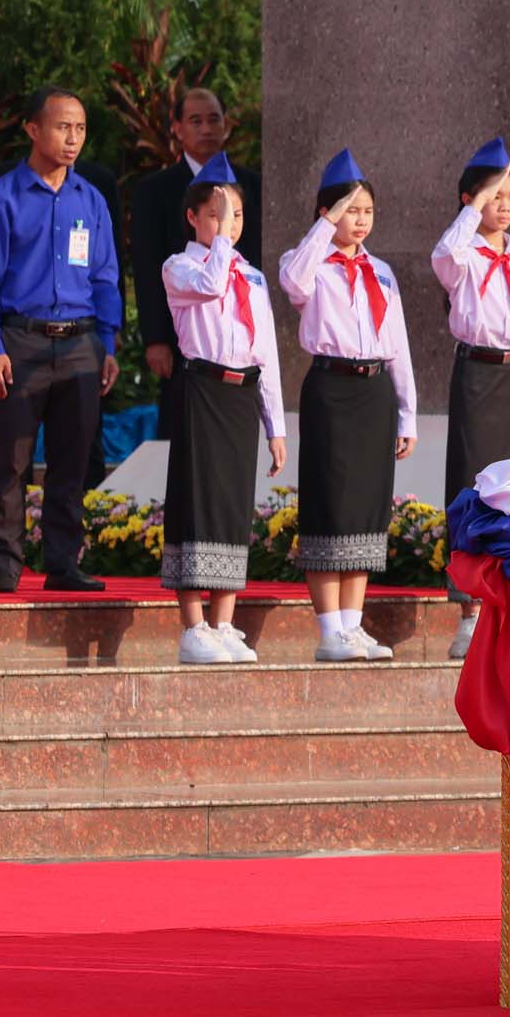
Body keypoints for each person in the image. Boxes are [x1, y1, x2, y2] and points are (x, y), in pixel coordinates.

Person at [0, 86, 123, 594]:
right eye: (62, 127)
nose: (72, 138)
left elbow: (105, 276)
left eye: (79, 128)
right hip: (20, 340)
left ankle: (63, 562)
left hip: (80, 344)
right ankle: (5, 563)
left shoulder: (90, 199)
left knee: (72, 459)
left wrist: (109, 343)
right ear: (33, 130)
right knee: (9, 457)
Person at [278, 150, 415, 663]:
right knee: (329, 503)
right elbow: (292, 282)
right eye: (349, 211)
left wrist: (407, 412)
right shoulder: (308, 263)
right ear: (327, 213)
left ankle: (353, 626)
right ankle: (328, 629)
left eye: (366, 212)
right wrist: (325, 225)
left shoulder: (381, 272)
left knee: (365, 505)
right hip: (331, 390)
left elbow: (397, 343)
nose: (359, 221)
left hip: (375, 390)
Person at [159, 154, 285, 664]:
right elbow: (211, 284)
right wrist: (224, 247)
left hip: (241, 395)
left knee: (233, 505)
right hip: (202, 390)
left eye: (234, 216)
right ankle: (193, 625)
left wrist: (275, 424)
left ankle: (225, 621)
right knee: (197, 500)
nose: (226, 226)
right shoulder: (181, 266)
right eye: (215, 214)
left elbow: (267, 350)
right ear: (192, 217)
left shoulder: (251, 277)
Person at [433, 137, 510, 659]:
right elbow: (443, 256)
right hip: (477, 375)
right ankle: (471, 610)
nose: (505, 205)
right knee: (474, 487)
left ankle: (509, 605)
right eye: (495, 195)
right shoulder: (464, 254)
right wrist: (474, 209)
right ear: (471, 199)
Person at [130, 87, 261, 442]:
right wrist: (156, 338)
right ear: (176, 128)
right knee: (181, 430)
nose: (206, 128)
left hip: (237, 340)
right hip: (182, 335)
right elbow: (146, 267)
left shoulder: (252, 185)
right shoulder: (154, 190)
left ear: (226, 126)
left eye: (213, 119)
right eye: (195, 120)